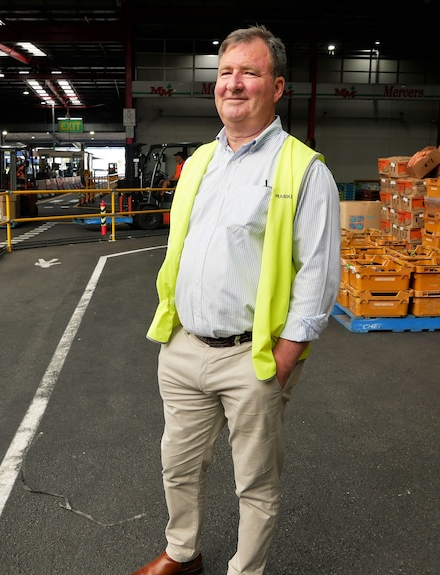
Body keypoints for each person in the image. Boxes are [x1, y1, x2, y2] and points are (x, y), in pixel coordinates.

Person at [131, 25, 341, 575]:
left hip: (253, 356)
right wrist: (174, 332)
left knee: (255, 482)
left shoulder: (304, 169)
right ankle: (183, 553)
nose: (234, 83)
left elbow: (318, 275)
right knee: (177, 465)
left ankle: (245, 571)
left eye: (249, 72)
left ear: (277, 87)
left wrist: (286, 354)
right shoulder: (200, 161)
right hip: (184, 348)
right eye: (225, 72)